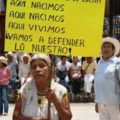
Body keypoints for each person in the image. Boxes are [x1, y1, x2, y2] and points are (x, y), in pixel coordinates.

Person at [13, 54, 72, 120]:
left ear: (50, 69)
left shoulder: (60, 91)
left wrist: (55, 101)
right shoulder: (24, 89)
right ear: (31, 71)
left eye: (42, 66)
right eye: (34, 67)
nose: (37, 69)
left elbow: (67, 118)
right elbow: (15, 116)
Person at [94, 37, 120, 120]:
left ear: (113, 50)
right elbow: (97, 84)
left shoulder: (117, 63)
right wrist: (97, 101)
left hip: (115, 103)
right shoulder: (99, 63)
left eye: (108, 46)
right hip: (101, 103)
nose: (106, 49)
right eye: (104, 47)